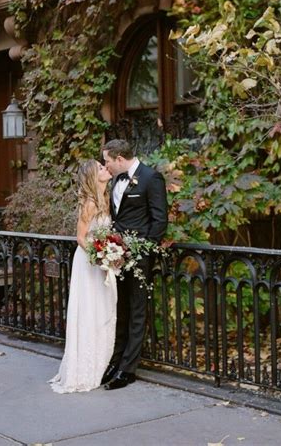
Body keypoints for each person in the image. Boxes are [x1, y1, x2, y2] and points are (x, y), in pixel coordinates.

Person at [101, 138, 168, 390]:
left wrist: (143, 250)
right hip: (116, 255)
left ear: (119, 159)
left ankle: (128, 370)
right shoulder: (116, 180)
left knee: (137, 311)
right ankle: (115, 362)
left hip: (139, 256)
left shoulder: (151, 178)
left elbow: (159, 220)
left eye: (107, 161)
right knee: (121, 310)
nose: (105, 165)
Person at [49, 159, 116, 393]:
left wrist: (109, 254)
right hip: (89, 262)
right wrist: (100, 257)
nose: (105, 168)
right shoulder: (89, 203)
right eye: (100, 168)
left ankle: (101, 363)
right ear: (92, 176)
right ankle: (85, 368)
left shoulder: (106, 199)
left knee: (103, 309)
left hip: (101, 261)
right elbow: (81, 237)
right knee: (89, 310)